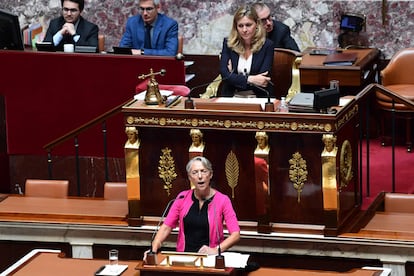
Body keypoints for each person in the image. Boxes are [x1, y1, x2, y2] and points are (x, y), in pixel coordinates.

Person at [146, 156, 240, 256]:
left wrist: (216, 250)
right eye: (194, 172)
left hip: (210, 259)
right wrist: (153, 249)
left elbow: (235, 235)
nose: (200, 176)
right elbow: (166, 227)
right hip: (184, 258)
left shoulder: (222, 200)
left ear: (210, 174)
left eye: (203, 171)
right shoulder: (182, 198)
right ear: (190, 177)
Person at [220, 5, 274, 98]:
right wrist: (251, 79)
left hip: (258, 96)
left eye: (248, 25)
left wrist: (234, 78)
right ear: (236, 27)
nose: (244, 30)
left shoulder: (267, 45)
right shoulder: (228, 44)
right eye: (240, 26)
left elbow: (262, 81)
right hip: (231, 96)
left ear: (256, 24)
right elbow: (225, 75)